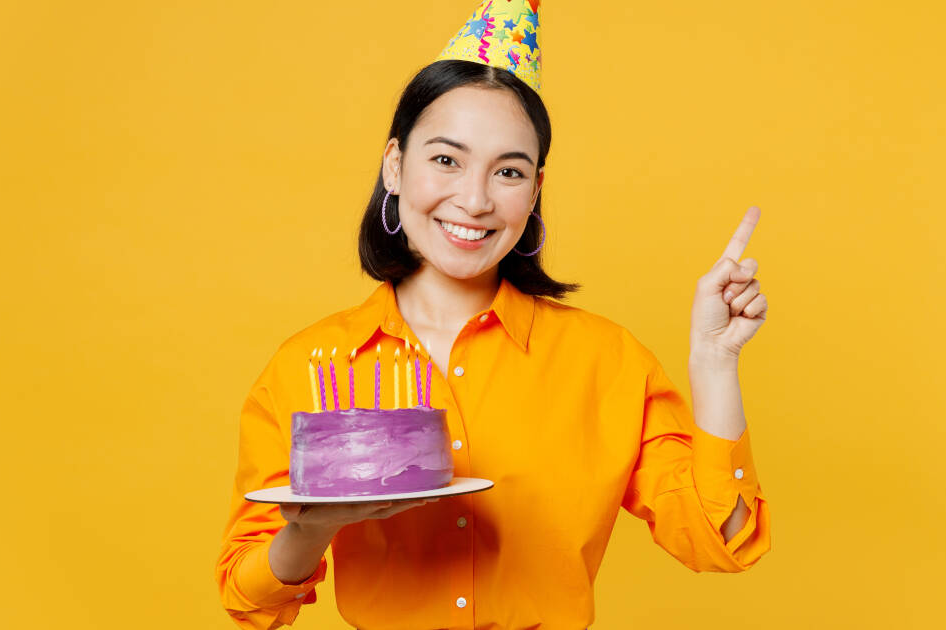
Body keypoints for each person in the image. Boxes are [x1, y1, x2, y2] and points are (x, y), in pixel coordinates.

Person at [215, 2, 771, 628]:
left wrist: (715, 361)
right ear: (395, 166)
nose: (475, 200)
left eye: (508, 171)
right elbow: (247, 598)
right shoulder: (307, 368)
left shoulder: (608, 362)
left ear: (534, 190)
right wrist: (310, 533)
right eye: (446, 159)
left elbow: (720, 539)